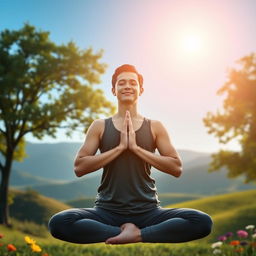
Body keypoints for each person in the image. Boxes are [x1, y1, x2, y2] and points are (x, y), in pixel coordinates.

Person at [48, 64, 213, 244]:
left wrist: (136, 149)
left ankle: (138, 234)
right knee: (59, 223)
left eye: (132, 83)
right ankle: (124, 231)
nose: (127, 86)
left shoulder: (155, 126)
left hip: (148, 211)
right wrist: (119, 148)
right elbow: (79, 167)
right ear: (114, 90)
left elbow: (176, 167)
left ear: (140, 90)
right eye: (122, 83)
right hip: (106, 211)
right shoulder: (100, 126)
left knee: (202, 222)